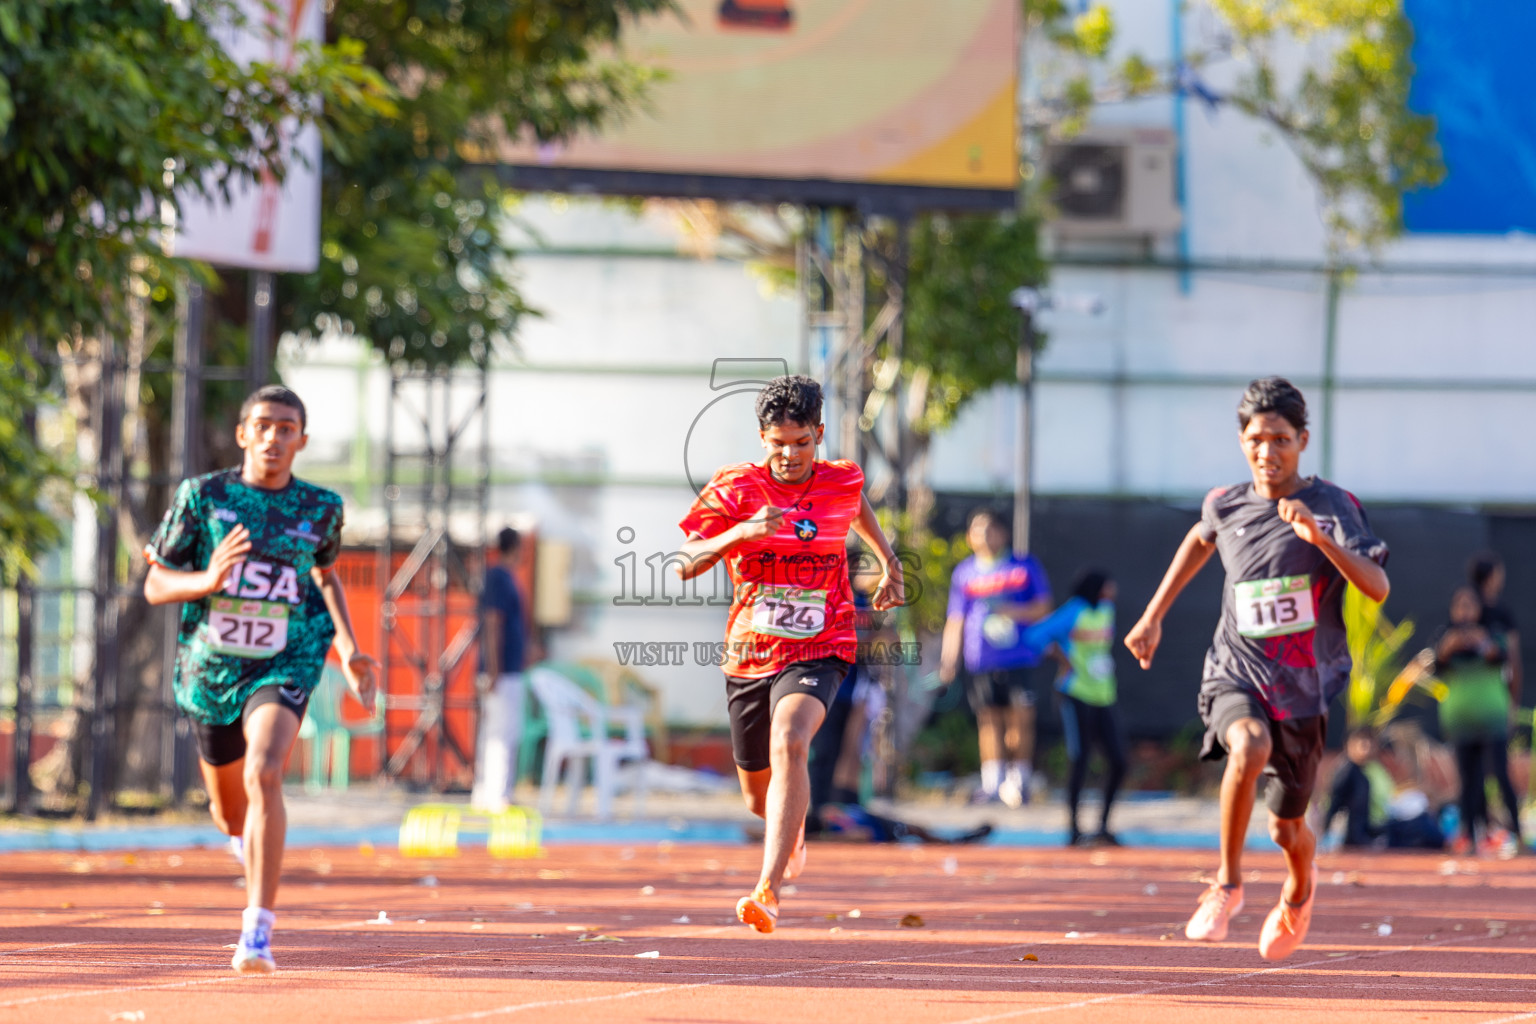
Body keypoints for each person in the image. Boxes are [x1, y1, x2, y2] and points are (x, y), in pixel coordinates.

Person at [1125, 377, 1389, 961]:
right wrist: (1152, 616)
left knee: (1285, 830)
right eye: (1255, 440)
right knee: (1246, 745)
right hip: (1236, 669)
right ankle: (1226, 885)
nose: (1267, 452)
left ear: (1303, 441)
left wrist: (1320, 540)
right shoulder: (1225, 503)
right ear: (1242, 441)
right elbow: (1201, 540)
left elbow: (1377, 586)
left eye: (1280, 440)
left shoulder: (1334, 506)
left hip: (1302, 688)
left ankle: (1299, 888)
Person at [143, 385, 378, 974]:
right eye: (264, 425)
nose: (274, 437)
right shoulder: (203, 497)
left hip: (287, 657)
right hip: (211, 669)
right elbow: (156, 583)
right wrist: (208, 580)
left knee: (265, 770)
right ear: (243, 433)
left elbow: (325, 574)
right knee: (231, 814)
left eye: (286, 428)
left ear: (302, 440)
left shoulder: (320, 507)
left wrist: (349, 649)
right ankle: (243, 838)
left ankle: (257, 933)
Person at [675, 375, 903, 933]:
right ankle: (790, 829)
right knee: (760, 798)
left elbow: (855, 505)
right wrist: (741, 532)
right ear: (762, 438)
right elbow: (684, 563)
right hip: (750, 654)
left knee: (791, 740)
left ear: (818, 434)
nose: (791, 455)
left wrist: (889, 561)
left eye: (802, 443)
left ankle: (768, 889)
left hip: (822, 645)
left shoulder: (841, 479)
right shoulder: (735, 487)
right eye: (779, 444)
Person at [939, 508, 1052, 808]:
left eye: (990, 530)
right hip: (981, 660)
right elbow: (956, 619)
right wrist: (949, 660)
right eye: (977, 530)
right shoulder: (964, 573)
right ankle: (992, 783)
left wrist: (1012, 611)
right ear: (969, 536)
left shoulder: (1024, 566)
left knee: (1021, 718)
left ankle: (1019, 780)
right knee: (988, 720)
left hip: (1019, 657)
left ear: (1003, 533)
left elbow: (1043, 607)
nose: (984, 536)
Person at [1025, 569, 1125, 846]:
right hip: (1074, 693)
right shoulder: (1074, 611)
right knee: (1079, 757)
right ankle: (1074, 829)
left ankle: (1103, 826)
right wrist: (1062, 657)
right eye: (1108, 584)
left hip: (1103, 694)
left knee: (1119, 759)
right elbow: (1035, 635)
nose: (1113, 589)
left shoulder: (1106, 611)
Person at [1432, 585, 1522, 855]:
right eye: (1459, 606)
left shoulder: (1493, 634)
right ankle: (1470, 836)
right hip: (1460, 722)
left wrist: (1482, 643)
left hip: (1492, 719)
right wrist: (1447, 648)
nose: (1464, 611)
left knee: (1500, 775)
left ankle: (1517, 833)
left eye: (1469, 605)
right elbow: (1436, 666)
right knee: (1468, 781)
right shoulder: (1444, 638)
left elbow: (1502, 658)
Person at [472, 526, 530, 813]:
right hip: (501, 671)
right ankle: (496, 795)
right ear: (515, 547)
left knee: (500, 731)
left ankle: (490, 792)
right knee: (500, 733)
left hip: (508, 670)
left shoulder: (508, 578)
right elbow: (493, 623)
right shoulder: (498, 577)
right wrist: (494, 669)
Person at [1322, 726, 1392, 848]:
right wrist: (1328, 831)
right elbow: (1335, 802)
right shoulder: (1346, 771)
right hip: (1350, 836)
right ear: (1349, 745)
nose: (1368, 748)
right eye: (1363, 744)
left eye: (1371, 743)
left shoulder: (1367, 771)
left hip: (1364, 830)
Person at [1471, 552, 1521, 712]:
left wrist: (1513, 704)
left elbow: (1513, 659)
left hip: (1497, 697)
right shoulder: (1470, 610)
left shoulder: (1503, 613)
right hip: (1470, 696)